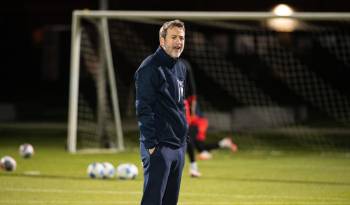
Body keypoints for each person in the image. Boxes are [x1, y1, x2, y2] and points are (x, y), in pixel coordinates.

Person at [135, 20, 188, 205]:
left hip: (178, 147)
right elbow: (143, 108)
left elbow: (179, 106)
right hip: (159, 147)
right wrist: (150, 145)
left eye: (181, 38)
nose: (178, 42)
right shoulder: (149, 68)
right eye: (173, 37)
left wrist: (183, 140)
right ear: (162, 41)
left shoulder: (181, 67)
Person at [183, 61, 237, 178]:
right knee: (199, 146)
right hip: (192, 118)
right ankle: (223, 143)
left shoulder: (184, 67)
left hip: (196, 120)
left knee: (190, 141)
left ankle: (193, 167)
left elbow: (193, 94)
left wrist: (192, 114)